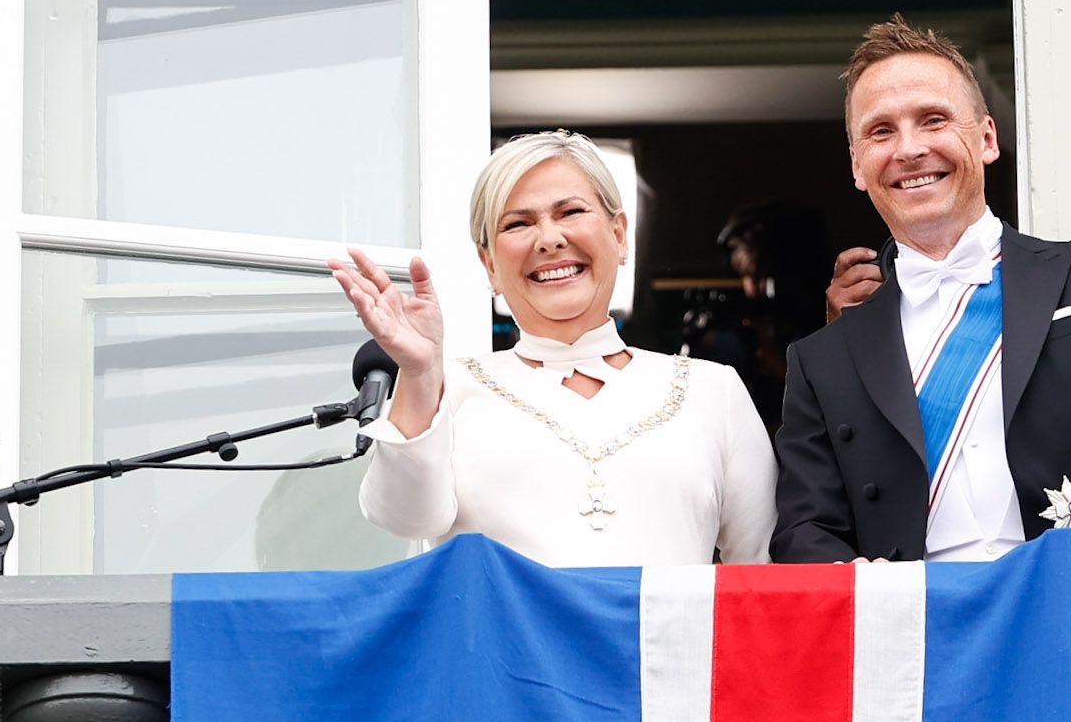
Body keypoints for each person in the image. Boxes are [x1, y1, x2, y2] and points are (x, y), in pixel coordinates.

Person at [773, 18, 1071, 562]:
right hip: (924, 633)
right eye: (881, 131)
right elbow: (803, 532)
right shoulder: (825, 358)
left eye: (933, 120)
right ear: (857, 166)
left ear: (987, 138)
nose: (909, 149)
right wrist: (874, 593)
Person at [331, 130, 776, 566]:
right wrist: (421, 372)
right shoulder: (450, 388)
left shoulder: (713, 390)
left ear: (620, 235)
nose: (549, 239)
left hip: (664, 641)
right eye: (518, 223)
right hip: (501, 643)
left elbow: (764, 575)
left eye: (570, 212)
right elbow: (405, 518)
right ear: (490, 264)